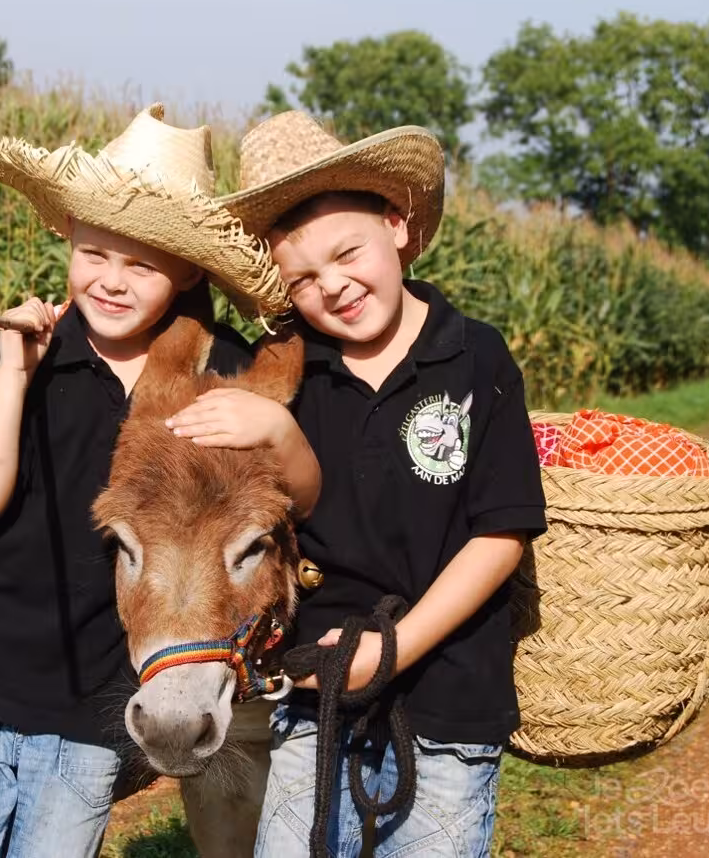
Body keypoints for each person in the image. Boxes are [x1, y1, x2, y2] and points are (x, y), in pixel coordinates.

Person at [0, 103, 319, 858]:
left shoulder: (224, 375)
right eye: (95, 254)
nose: (112, 282)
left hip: (93, 711)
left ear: (187, 271)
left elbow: (286, 505)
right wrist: (15, 373)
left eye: (144, 264)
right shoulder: (26, 353)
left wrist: (278, 430)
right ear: (69, 241)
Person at [169, 109, 547, 856]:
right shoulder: (287, 372)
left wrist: (395, 648)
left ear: (397, 225)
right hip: (314, 700)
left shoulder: (474, 358)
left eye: (349, 253)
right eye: (303, 278)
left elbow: (500, 535)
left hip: (447, 706)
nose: (334, 287)